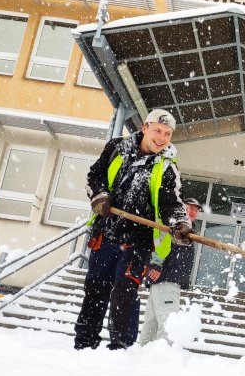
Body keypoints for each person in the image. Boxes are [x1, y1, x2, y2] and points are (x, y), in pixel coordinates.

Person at [74, 109, 192, 351]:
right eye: (158, 131)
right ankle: (85, 343)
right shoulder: (117, 148)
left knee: (124, 293)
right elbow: (94, 176)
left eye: (168, 134)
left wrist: (180, 223)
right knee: (95, 288)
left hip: (138, 243)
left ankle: (120, 347)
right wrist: (99, 196)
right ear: (145, 127)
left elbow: (172, 201)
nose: (162, 137)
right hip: (106, 233)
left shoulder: (167, 166)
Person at [139, 197, 202, 344]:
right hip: (167, 278)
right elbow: (161, 242)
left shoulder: (188, 229)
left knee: (152, 321)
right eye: (190, 207)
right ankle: (163, 355)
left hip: (165, 279)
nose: (193, 211)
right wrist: (156, 265)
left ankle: (142, 351)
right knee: (168, 321)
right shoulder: (175, 225)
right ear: (182, 208)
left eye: (196, 209)